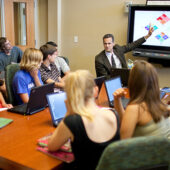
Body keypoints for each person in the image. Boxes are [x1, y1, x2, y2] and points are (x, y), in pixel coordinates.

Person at [48, 70, 120, 170]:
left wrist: (68, 112)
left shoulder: (72, 122)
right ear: (96, 90)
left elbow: (51, 146)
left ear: (69, 95)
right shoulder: (114, 114)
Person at [113, 60, 170, 139]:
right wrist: (117, 100)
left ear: (133, 82)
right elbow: (127, 120)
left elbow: (124, 144)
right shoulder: (162, 105)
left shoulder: (135, 108)